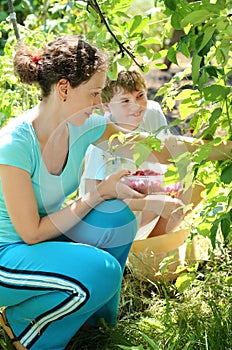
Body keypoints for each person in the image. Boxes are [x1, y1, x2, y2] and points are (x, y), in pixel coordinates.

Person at [0, 36, 185, 350]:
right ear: (64, 89)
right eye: (95, 93)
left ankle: (89, 327)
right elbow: (31, 233)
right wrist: (98, 193)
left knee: (115, 221)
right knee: (104, 271)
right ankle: (25, 330)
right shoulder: (14, 145)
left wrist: (217, 151)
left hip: (40, 246)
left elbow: (148, 148)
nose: (101, 103)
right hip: (7, 259)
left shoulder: (84, 126)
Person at [79, 69, 188, 238]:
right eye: (125, 101)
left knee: (188, 185)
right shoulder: (101, 142)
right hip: (110, 211)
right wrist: (149, 203)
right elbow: (93, 199)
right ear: (106, 106)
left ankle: (150, 248)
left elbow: (167, 158)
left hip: (142, 189)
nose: (136, 105)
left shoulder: (151, 113)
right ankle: (132, 249)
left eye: (140, 95)